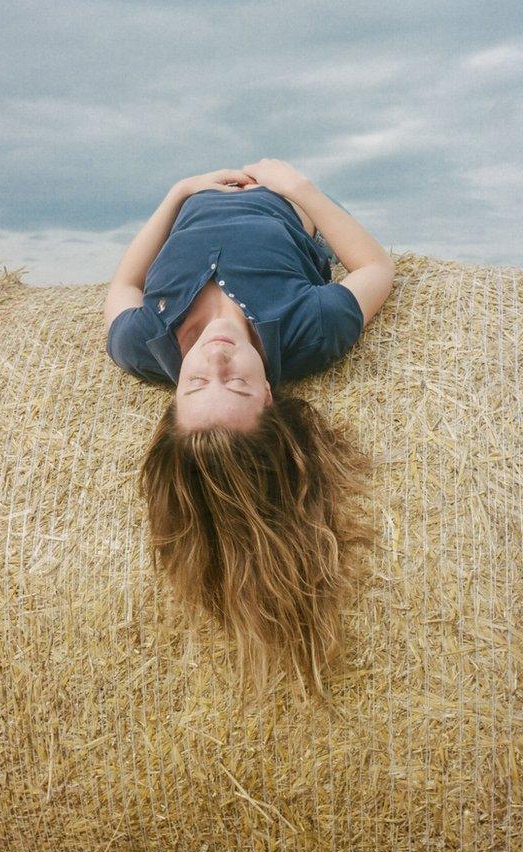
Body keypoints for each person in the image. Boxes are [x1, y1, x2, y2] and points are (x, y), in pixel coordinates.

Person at [103, 158, 394, 699]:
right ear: (267, 394)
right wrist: (297, 188)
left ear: (171, 400)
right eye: (235, 386)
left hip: (197, 198)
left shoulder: (143, 343)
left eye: (195, 386)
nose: (216, 363)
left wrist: (178, 191)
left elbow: (124, 282)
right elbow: (375, 268)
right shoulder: (311, 332)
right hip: (285, 205)